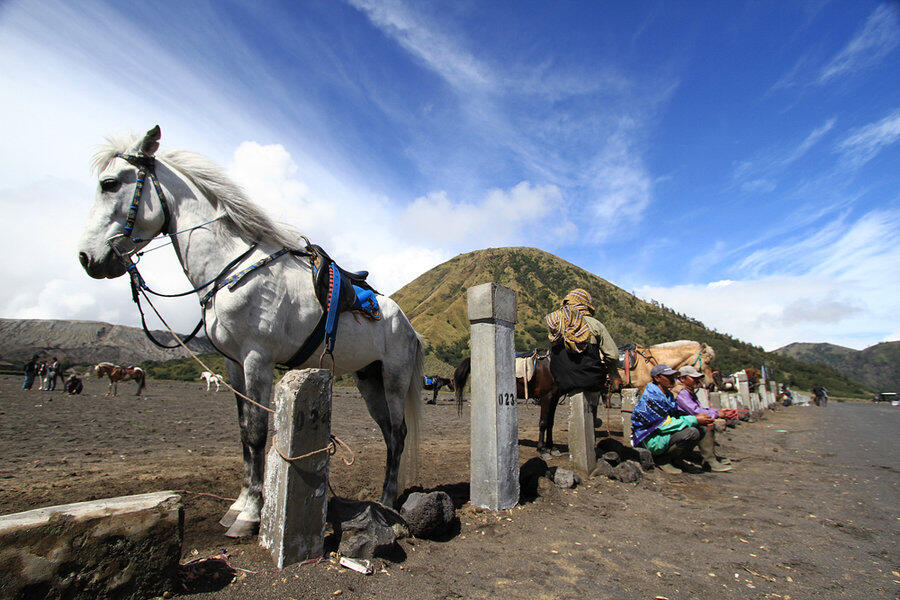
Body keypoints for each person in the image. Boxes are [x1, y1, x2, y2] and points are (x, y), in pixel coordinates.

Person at [630, 364, 717, 474]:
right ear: (657, 378)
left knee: (700, 428)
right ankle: (662, 459)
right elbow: (663, 425)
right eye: (668, 376)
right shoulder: (652, 398)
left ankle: (677, 459)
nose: (672, 379)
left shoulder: (668, 395)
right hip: (651, 438)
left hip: (662, 433)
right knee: (691, 432)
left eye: (673, 376)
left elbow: (674, 416)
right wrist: (693, 419)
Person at [544, 288, 619, 395]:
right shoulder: (595, 324)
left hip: (560, 381)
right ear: (586, 304)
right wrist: (609, 369)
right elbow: (614, 356)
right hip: (591, 380)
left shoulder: (557, 323)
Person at [675, 365, 732, 471]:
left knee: (706, 421)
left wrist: (716, 411)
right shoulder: (681, 392)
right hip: (680, 422)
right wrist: (716, 414)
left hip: (686, 419)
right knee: (706, 424)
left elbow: (699, 408)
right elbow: (695, 411)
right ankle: (709, 460)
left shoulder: (688, 391)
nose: (697, 381)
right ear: (683, 378)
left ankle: (709, 457)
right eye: (693, 378)